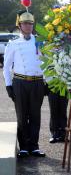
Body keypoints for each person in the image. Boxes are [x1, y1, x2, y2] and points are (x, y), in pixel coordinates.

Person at [3, 10, 45, 158]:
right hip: (20, 82)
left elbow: (46, 64)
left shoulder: (40, 41)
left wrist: (46, 81)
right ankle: (24, 147)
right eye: (25, 23)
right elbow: (7, 67)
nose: (28, 26)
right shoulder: (13, 44)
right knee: (22, 116)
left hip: (37, 82)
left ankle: (34, 146)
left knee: (35, 116)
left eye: (30, 24)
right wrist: (8, 86)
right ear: (19, 25)